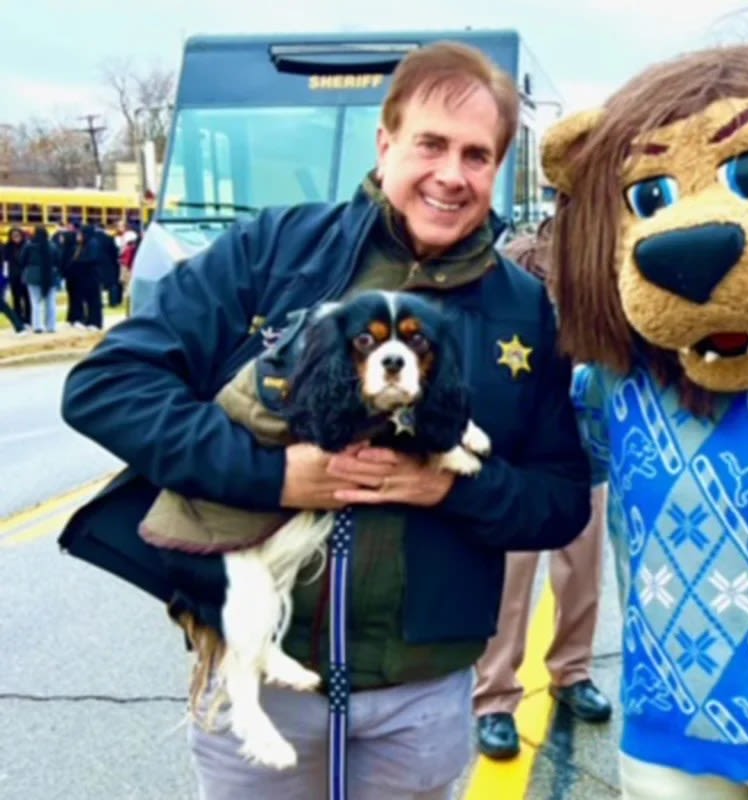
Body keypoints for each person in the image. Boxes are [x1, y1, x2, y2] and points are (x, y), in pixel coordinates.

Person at [60, 41, 592, 800]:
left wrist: (445, 490)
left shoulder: (522, 308)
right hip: (260, 675)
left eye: (477, 155)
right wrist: (275, 475)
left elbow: (561, 498)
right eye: (430, 144)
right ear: (386, 143)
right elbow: (105, 386)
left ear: (500, 167)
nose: (451, 174)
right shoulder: (271, 251)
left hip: (423, 692)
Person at [473, 219, 613, 760]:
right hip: (521, 450)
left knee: (582, 571)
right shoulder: (515, 259)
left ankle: (571, 673)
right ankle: (494, 698)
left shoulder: (605, 254)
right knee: (511, 578)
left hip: (583, 445)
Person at [20, 225, 60, 333]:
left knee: (35, 302)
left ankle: (37, 326)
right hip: (50, 275)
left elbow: (22, 260)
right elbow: (58, 261)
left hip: (33, 275)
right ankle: (51, 326)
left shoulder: (29, 246)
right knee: (51, 302)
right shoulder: (53, 246)